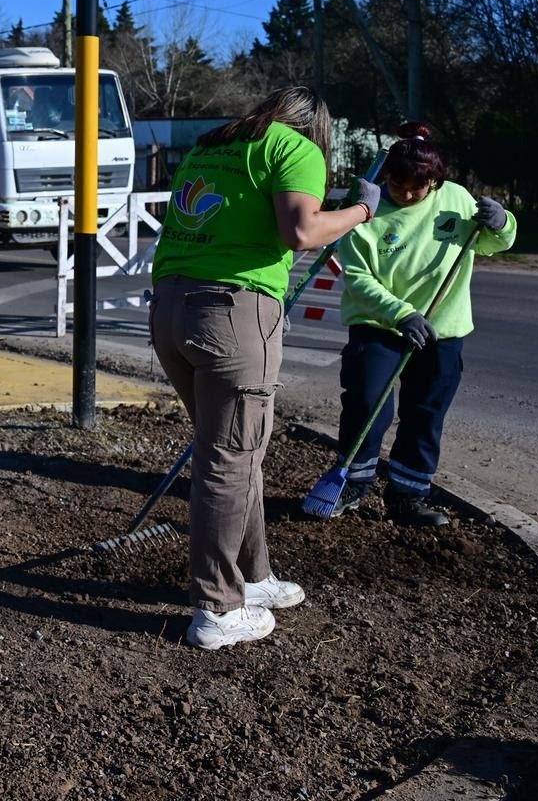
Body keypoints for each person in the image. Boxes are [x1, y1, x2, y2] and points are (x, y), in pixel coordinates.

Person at [148, 86, 382, 651]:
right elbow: (300, 232)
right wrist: (360, 210)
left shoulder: (212, 147)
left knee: (236, 449)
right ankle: (217, 609)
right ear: (317, 130)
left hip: (172, 308)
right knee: (228, 460)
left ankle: (254, 577)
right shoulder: (295, 149)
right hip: (235, 313)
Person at [316, 123, 516, 526]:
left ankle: (408, 495)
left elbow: (493, 245)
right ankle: (353, 482)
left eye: (417, 189)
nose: (406, 195)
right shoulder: (365, 210)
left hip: (442, 328)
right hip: (380, 325)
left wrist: (503, 223)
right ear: (386, 174)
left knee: (425, 413)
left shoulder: (455, 199)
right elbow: (358, 277)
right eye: (398, 184)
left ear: (436, 182)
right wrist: (401, 314)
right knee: (367, 404)